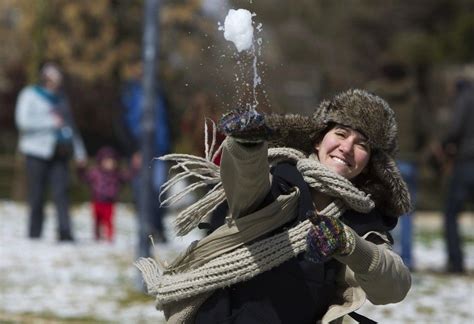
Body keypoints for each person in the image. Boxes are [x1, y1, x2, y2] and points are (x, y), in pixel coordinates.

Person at [136, 89, 412, 323]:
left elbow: (394, 287)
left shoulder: (364, 218)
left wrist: (351, 246)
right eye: (340, 133)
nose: (347, 147)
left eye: (361, 144)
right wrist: (247, 147)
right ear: (318, 140)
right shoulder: (281, 180)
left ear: (369, 164)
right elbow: (246, 184)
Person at [367, 59, 431, 270]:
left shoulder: (375, 95)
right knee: (407, 213)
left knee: (381, 209)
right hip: (409, 159)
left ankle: (385, 256)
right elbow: (424, 128)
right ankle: (408, 259)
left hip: (383, 159)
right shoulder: (414, 98)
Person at [15, 62, 87, 242]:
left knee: (62, 193)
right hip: (36, 152)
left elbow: (70, 126)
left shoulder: (62, 98)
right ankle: (34, 235)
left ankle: (65, 233)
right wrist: (49, 123)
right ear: (45, 78)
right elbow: (23, 123)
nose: (57, 82)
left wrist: (80, 152)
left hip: (60, 152)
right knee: (37, 195)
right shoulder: (29, 95)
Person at [120, 62, 171, 257]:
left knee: (160, 189)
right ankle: (145, 229)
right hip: (140, 150)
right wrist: (133, 150)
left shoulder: (158, 92)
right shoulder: (130, 93)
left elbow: (166, 121)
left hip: (160, 149)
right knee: (142, 190)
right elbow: (124, 123)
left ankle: (158, 228)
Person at [439, 78, 474, 274]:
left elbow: (455, 128)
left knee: (451, 214)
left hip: (467, 162)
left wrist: (445, 144)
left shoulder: (465, 99)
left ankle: (456, 262)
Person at [77, 146, 137, 242]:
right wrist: (80, 169)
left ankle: (109, 237)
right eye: (107, 161)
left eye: (112, 162)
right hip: (97, 201)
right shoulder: (95, 173)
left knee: (108, 221)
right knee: (97, 221)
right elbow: (84, 178)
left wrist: (135, 167)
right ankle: (97, 236)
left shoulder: (116, 174)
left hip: (109, 203)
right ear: (101, 161)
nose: (110, 164)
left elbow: (127, 176)